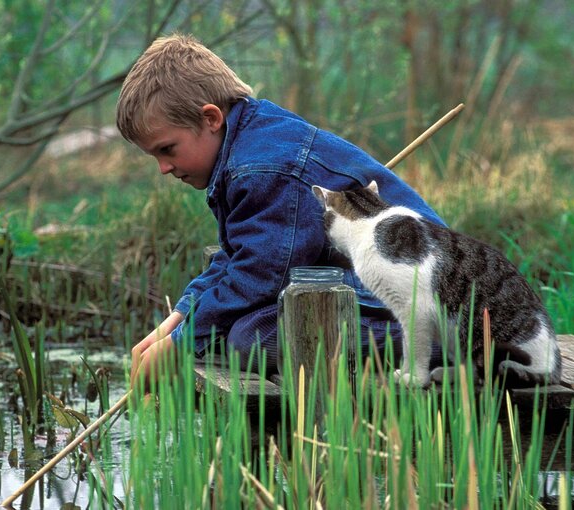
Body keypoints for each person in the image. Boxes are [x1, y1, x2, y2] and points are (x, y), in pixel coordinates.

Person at [117, 34, 445, 390]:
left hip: (418, 293)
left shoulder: (263, 168)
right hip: (369, 285)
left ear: (210, 118)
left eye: (167, 149)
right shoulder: (246, 145)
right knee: (241, 328)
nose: (164, 168)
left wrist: (181, 343)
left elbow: (260, 273)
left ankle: (447, 343)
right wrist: (173, 324)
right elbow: (237, 257)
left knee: (250, 337)